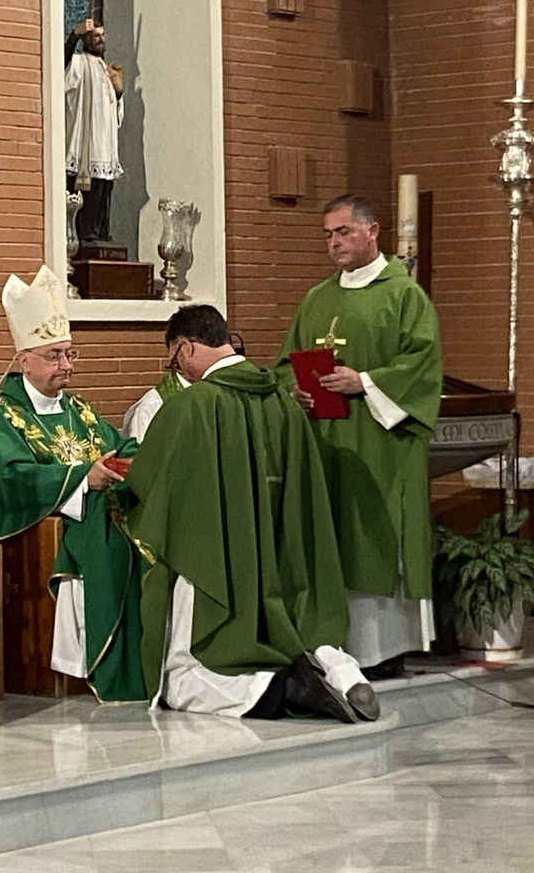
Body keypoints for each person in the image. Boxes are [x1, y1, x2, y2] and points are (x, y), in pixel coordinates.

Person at [122, 306, 375, 721]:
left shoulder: (193, 404)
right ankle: (342, 673)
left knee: (181, 676)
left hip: (215, 556)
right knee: (288, 625)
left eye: (174, 357)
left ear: (185, 349)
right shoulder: (281, 399)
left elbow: (151, 479)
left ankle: (280, 687)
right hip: (277, 552)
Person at [0, 265, 145, 702]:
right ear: (24, 360)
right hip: (37, 538)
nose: (66, 365)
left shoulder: (78, 408)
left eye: (70, 353)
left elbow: (121, 445)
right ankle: (99, 660)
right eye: (54, 355)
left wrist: (127, 463)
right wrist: (85, 478)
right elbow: (8, 480)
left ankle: (144, 655)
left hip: (90, 518)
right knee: (112, 540)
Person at [275, 194, 442, 680]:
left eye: (343, 232)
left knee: (372, 535)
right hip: (326, 443)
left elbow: (423, 366)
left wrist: (364, 382)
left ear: (373, 231)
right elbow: (286, 363)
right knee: (331, 536)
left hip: (380, 446)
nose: (334, 243)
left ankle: (384, 649)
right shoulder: (316, 298)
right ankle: (332, 645)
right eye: (328, 234)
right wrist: (297, 393)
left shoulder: (403, 295)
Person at [65, 18, 124, 243]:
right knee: (88, 192)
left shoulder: (106, 67)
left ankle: (101, 230)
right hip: (86, 145)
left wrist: (118, 93)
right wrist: (74, 35)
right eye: (96, 36)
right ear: (86, 40)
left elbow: (114, 111)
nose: (101, 40)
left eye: (103, 35)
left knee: (104, 190)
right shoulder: (79, 62)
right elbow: (60, 64)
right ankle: (87, 232)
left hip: (106, 145)